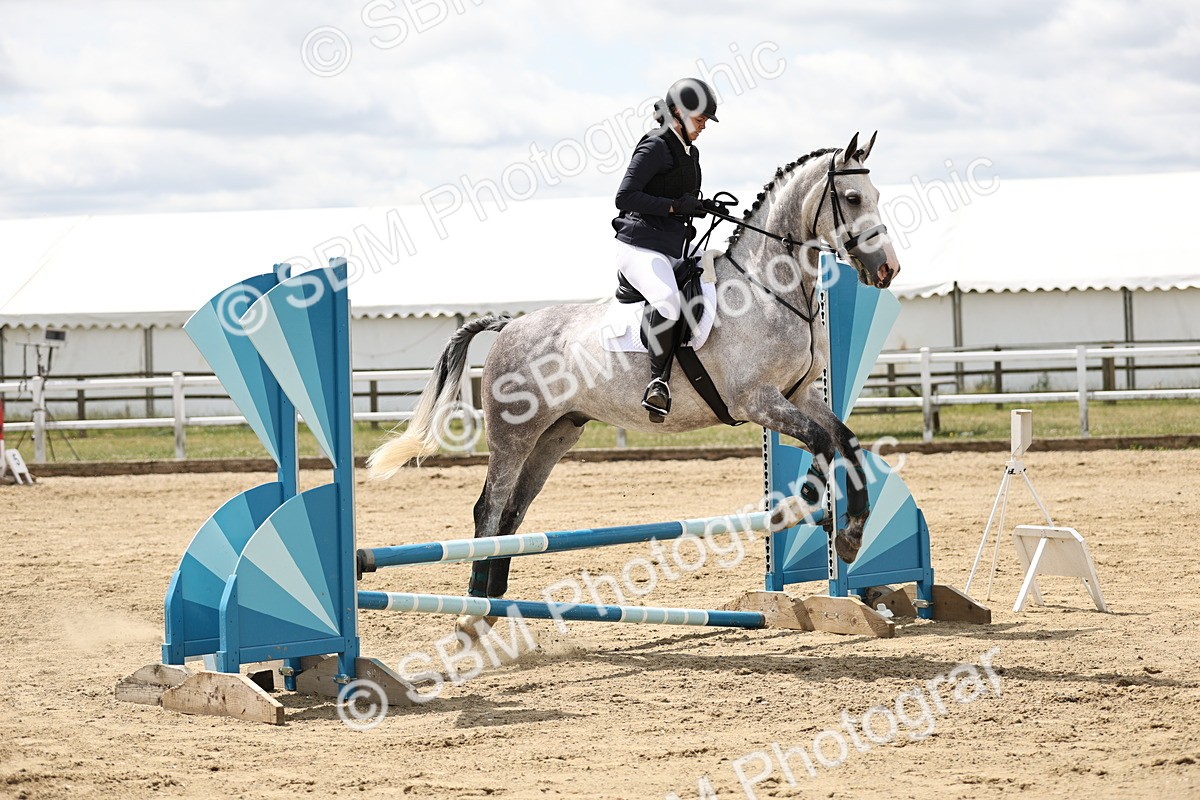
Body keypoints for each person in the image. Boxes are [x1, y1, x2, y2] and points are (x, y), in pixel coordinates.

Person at [612, 77, 719, 419]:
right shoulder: (656, 145)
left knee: (718, 271)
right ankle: (657, 383)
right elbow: (625, 197)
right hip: (640, 245)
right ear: (679, 113)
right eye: (700, 119)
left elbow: (677, 195)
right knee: (669, 302)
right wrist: (674, 207)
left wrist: (701, 206)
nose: (703, 126)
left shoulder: (689, 151)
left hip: (673, 244)